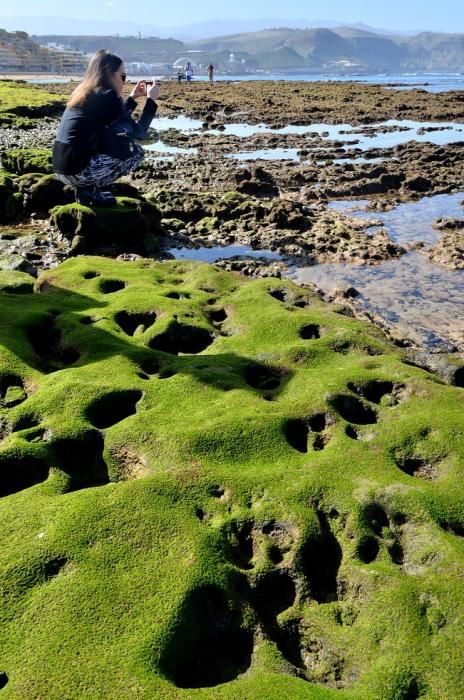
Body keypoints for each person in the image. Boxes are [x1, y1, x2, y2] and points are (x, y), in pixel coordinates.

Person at [52, 49, 160, 206]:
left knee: (108, 137)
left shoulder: (83, 93)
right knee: (136, 153)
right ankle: (89, 189)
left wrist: (132, 98)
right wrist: (151, 100)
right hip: (79, 173)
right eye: (123, 76)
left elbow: (116, 119)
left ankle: (87, 192)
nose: (124, 81)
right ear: (109, 73)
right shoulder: (108, 95)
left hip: (61, 170)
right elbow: (140, 133)